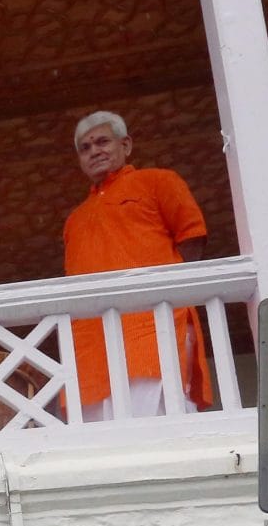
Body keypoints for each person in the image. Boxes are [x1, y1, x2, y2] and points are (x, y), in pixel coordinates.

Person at [62, 111, 215, 420]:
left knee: (158, 424)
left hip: (151, 328)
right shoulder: (74, 219)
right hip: (91, 342)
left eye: (102, 141)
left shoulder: (157, 181)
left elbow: (192, 238)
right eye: (85, 147)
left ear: (126, 145)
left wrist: (174, 292)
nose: (95, 151)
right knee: (100, 442)